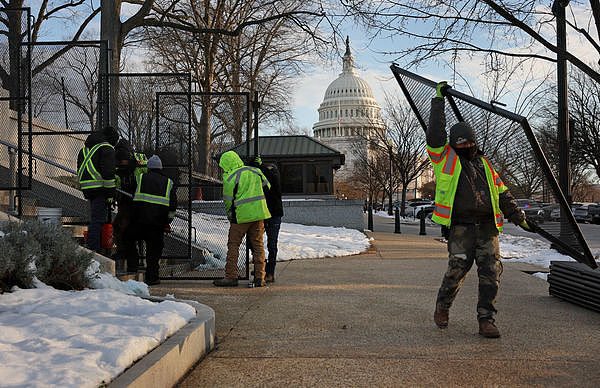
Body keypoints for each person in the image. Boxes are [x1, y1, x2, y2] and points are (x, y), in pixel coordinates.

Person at [428, 82, 533, 338]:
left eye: (469, 143)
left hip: (487, 228)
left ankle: (486, 319)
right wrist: (438, 102)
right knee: (456, 270)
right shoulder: (444, 158)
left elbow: (502, 192)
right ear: (454, 145)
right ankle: (443, 307)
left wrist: (519, 216)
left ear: (475, 142)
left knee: (491, 273)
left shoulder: (485, 164)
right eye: (460, 144)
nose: (466, 147)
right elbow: (435, 135)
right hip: (461, 227)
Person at [214, 151, 271, 287]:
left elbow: (228, 201)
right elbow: (267, 187)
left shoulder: (230, 177)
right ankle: (260, 278)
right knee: (258, 246)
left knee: (233, 245)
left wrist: (231, 217)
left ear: (227, 163)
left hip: (241, 217)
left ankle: (231, 277)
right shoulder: (256, 171)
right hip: (259, 215)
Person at [128, 155, 177, 285]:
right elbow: (172, 207)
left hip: (139, 222)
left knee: (128, 239)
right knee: (153, 252)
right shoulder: (168, 183)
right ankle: (152, 278)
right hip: (157, 224)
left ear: (148, 168)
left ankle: (132, 267)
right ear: (161, 168)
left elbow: (132, 197)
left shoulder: (140, 178)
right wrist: (167, 222)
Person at [77, 126, 117, 253]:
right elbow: (108, 173)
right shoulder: (107, 148)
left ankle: (96, 246)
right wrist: (111, 193)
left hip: (87, 188)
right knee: (98, 220)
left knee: (96, 218)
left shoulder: (84, 150)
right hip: (101, 189)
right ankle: (93, 250)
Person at [248, 156, 283, 283]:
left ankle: (268, 270)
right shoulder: (268, 176)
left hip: (270, 214)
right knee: (258, 242)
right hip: (267, 214)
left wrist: (258, 167)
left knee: (265, 243)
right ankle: (264, 268)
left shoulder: (270, 176)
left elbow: (270, 178)